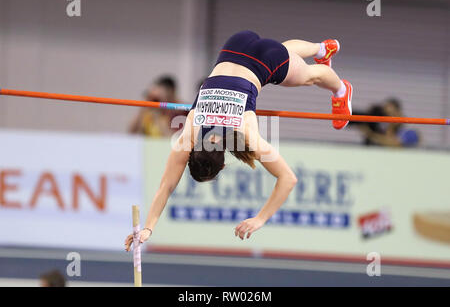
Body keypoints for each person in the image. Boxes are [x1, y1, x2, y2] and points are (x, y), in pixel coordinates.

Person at [124, 30, 353, 249]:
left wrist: (260, 219)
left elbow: (288, 179)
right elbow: (166, 186)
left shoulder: (244, 133)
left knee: (310, 77)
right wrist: (147, 228)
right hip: (234, 46)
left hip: (265, 60)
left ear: (224, 162)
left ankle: (342, 91)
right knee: (283, 53)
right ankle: (321, 48)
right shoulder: (190, 132)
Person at [352, 98, 420, 147]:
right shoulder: (384, 127)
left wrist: (369, 133)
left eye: (392, 114)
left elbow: (394, 144)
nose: (389, 117)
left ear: (399, 112)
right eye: (386, 115)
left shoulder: (409, 131)